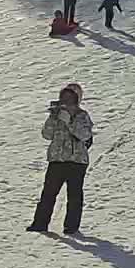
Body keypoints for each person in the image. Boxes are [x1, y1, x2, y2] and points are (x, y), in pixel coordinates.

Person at [29, 83, 93, 235]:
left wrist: (70, 120)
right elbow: (46, 134)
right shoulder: (57, 116)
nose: (66, 102)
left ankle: (71, 227)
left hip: (76, 161)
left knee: (74, 196)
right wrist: (53, 117)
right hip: (57, 160)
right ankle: (39, 224)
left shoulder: (82, 116)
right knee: (48, 194)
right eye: (64, 98)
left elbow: (84, 135)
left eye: (70, 99)